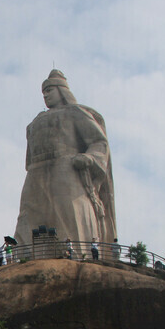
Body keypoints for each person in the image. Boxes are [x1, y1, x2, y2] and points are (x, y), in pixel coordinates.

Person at [13, 70, 116, 249]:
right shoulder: (36, 121)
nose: (45, 96)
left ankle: (78, 252)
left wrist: (89, 158)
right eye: (43, 93)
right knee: (27, 218)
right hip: (35, 172)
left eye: (49, 90)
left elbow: (99, 141)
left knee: (69, 214)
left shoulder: (75, 112)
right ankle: (26, 253)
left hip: (66, 168)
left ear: (61, 90)